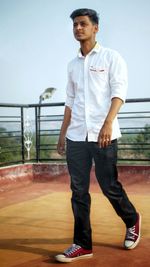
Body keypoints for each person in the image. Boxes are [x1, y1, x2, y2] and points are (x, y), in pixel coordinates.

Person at [55, 8, 141, 263]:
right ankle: (82, 244)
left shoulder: (112, 58)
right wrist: (62, 135)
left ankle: (132, 219)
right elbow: (70, 102)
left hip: (104, 134)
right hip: (76, 135)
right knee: (78, 190)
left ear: (95, 28)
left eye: (83, 24)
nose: (78, 28)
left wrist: (107, 124)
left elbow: (118, 94)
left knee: (109, 186)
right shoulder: (72, 65)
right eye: (74, 25)